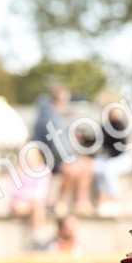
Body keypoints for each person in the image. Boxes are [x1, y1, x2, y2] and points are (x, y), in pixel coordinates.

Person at [33, 84, 92, 217]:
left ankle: (81, 201)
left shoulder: (53, 113)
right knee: (73, 168)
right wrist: (74, 159)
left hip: (56, 156)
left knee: (86, 163)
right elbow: (58, 146)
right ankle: (60, 202)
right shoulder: (49, 117)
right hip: (47, 158)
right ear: (59, 100)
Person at [92, 104, 132, 218]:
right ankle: (102, 198)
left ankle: (115, 200)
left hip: (122, 157)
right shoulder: (104, 125)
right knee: (96, 167)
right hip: (110, 156)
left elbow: (120, 147)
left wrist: (108, 157)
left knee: (108, 170)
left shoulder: (118, 124)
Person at [9, 144, 52, 232]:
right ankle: (38, 233)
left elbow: (42, 190)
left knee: (37, 204)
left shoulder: (43, 170)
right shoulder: (17, 171)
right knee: (34, 205)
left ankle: (37, 231)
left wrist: (31, 199)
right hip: (20, 202)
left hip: (36, 202)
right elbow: (14, 191)